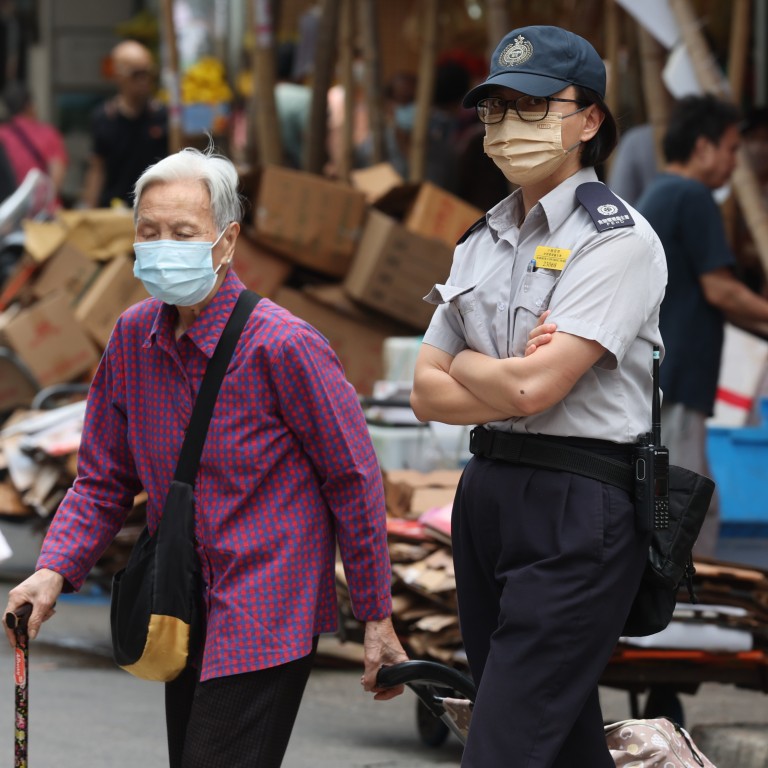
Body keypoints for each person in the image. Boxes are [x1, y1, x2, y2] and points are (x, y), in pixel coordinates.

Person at [4, 146, 408, 767]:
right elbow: (102, 479)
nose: (164, 245)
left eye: (184, 232)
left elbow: (353, 481)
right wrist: (53, 570)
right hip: (181, 602)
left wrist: (376, 617)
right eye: (150, 231)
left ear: (227, 240)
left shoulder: (285, 346)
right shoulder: (133, 337)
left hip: (266, 605)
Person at [410, 25, 667, 767]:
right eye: (494, 109)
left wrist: (471, 369)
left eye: (531, 106)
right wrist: (490, 378)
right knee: (554, 739)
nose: (506, 126)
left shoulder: (617, 241)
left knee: (506, 741)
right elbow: (426, 392)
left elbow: (533, 386)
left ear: (588, 121)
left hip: (577, 504)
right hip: (488, 490)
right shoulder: (481, 238)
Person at [635, 95, 768, 558]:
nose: (736, 162)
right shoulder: (691, 196)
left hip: (661, 376)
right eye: (731, 149)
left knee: (679, 496)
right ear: (702, 147)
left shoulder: (660, 191)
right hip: (678, 374)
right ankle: (687, 608)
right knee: (683, 504)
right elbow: (723, 290)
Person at [80, 40, 168, 208]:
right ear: (118, 76)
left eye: (147, 73)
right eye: (136, 74)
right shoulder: (104, 118)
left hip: (155, 208)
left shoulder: (162, 116)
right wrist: (88, 209)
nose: (143, 80)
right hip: (113, 209)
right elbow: (97, 168)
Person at [0, 81, 68, 202]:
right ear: (29, 105)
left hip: (9, 210)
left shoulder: (2, 135)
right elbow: (56, 183)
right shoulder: (49, 134)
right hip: (43, 213)